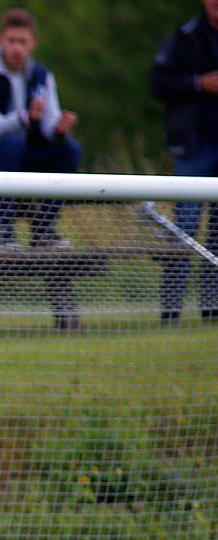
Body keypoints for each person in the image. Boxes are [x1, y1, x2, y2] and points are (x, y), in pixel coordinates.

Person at [0, 8, 82, 250]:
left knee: (70, 149)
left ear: (33, 43)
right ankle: (3, 232)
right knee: (12, 143)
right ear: (0, 40)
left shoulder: (41, 75)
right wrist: (24, 118)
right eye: (11, 41)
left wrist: (60, 129)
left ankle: (43, 230)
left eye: (23, 41)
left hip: (19, 159)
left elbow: (49, 124)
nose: (16, 48)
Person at [151, 0, 218, 322]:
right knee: (184, 228)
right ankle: (171, 309)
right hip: (193, 147)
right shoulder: (184, 38)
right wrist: (199, 84)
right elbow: (159, 84)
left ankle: (212, 305)